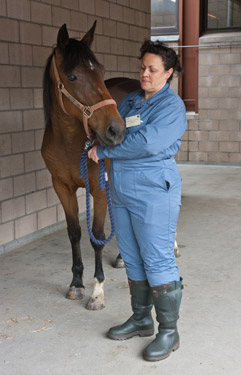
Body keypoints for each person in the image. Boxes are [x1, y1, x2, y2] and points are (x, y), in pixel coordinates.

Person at [88, 40, 187, 362]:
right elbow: (114, 131)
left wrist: (103, 151)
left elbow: (145, 143)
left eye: (153, 69)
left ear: (168, 73)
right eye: (142, 67)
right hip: (122, 188)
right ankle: (142, 319)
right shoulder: (130, 101)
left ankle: (169, 332)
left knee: (157, 258)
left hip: (153, 187)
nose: (145, 74)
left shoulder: (171, 107)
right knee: (131, 256)